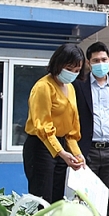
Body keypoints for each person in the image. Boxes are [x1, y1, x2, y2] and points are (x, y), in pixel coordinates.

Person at [73, 42, 109, 216]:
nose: (100, 63)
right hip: (87, 151)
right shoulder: (78, 86)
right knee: (86, 200)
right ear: (89, 63)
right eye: (96, 60)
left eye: (104, 59)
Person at [23, 43, 86, 203]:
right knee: (43, 199)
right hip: (41, 145)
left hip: (61, 145)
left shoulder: (70, 88)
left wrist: (77, 154)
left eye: (77, 70)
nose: (72, 73)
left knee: (57, 199)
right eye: (69, 68)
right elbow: (42, 126)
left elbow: (72, 128)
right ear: (59, 64)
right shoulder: (43, 87)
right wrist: (61, 152)